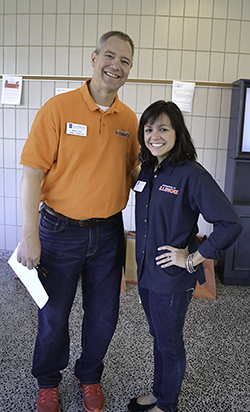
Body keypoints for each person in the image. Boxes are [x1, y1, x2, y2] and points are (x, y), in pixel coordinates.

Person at [17, 31, 139, 412]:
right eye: (109, 56)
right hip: (58, 230)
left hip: (108, 233)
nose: (115, 66)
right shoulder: (58, 108)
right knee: (53, 315)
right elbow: (32, 175)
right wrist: (29, 236)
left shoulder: (129, 119)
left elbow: (134, 172)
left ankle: (89, 377)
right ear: (93, 57)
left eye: (124, 62)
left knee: (104, 316)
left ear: (129, 71)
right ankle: (48, 383)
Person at [128, 100, 242, 412]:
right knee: (158, 337)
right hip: (147, 274)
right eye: (149, 129)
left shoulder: (190, 174)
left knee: (169, 341)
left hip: (173, 280)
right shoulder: (149, 170)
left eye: (163, 128)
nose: (154, 135)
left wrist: (192, 258)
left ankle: (167, 404)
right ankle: (158, 391)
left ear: (178, 132)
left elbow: (229, 224)